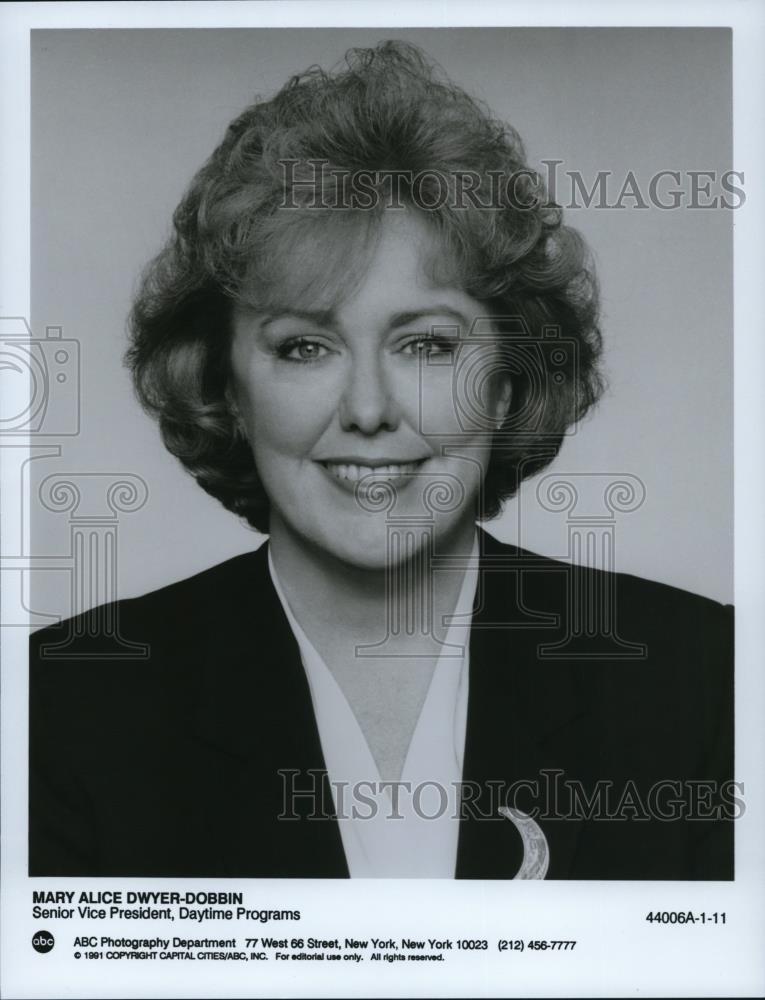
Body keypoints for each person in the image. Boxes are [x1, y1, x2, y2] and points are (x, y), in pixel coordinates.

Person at [29, 41, 734, 879]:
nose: (367, 410)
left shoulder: (702, 677)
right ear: (225, 384)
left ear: (510, 380)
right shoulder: (59, 708)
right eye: (303, 347)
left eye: (427, 344)